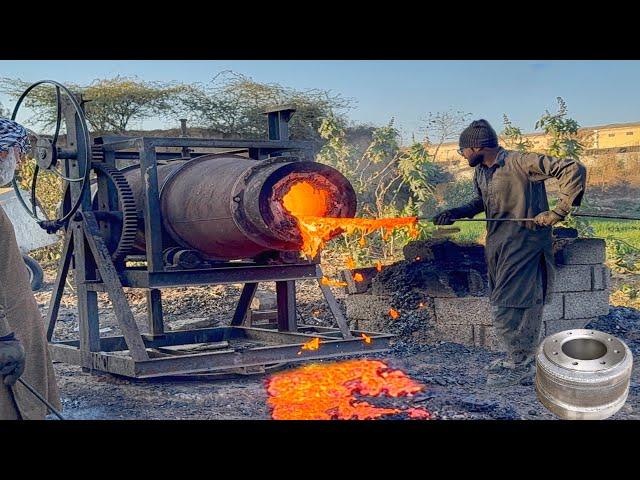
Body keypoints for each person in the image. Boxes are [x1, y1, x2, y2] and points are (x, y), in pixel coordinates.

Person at [432, 119, 587, 387]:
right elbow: (481, 201)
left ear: (477, 147)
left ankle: (521, 365)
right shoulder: (481, 171)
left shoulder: (520, 162)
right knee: (512, 301)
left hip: (525, 243)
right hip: (499, 244)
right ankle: (520, 359)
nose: (463, 156)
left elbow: (573, 168)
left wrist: (558, 212)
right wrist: (457, 213)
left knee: (509, 304)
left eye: (463, 151)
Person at [0, 118, 61, 419]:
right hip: (9, 333)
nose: (21, 160)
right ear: (2, 154)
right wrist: (5, 338)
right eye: (18, 152)